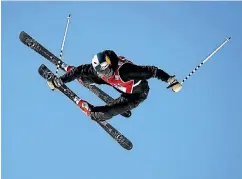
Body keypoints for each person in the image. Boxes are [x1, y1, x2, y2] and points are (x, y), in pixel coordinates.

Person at [47, 50, 182, 121]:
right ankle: (86, 80)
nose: (106, 73)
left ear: (111, 65)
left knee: (103, 114)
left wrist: (169, 79)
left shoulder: (126, 71)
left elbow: (152, 71)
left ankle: (92, 111)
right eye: (102, 72)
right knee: (84, 73)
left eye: (107, 70)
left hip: (135, 95)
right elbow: (79, 69)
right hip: (115, 84)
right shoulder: (100, 71)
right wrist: (61, 80)